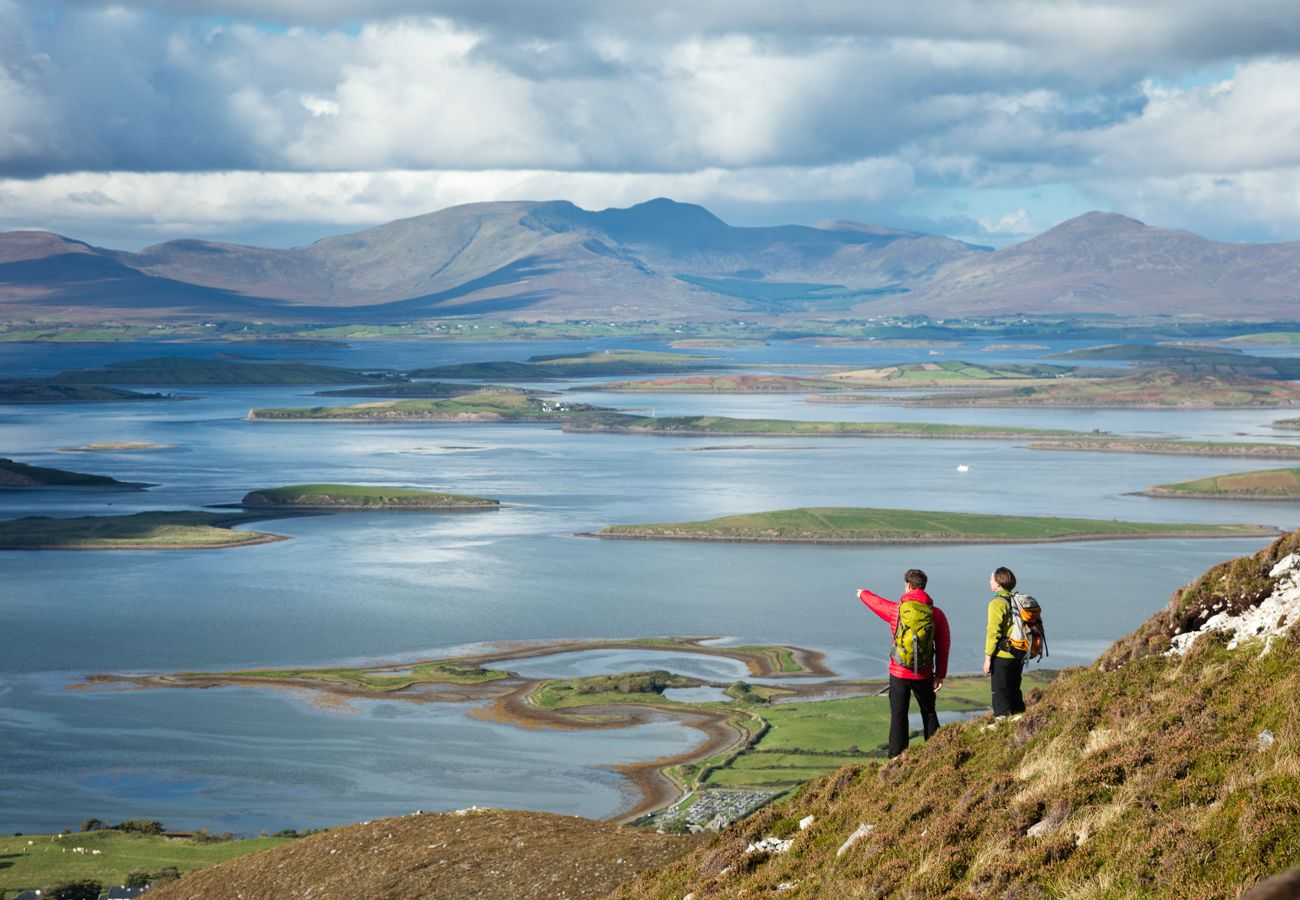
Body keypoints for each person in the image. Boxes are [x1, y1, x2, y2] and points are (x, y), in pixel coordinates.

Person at [858, 568, 951, 758]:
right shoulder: (936, 614)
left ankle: (896, 759)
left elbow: (877, 603)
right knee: (929, 712)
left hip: (899, 672)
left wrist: (862, 594)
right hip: (924, 673)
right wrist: (940, 674)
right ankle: (937, 753)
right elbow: (944, 645)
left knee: (899, 716)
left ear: (907, 585)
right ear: (923, 587)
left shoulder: (896, 610)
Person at [985, 566, 1026, 717]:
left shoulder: (997, 603)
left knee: (1000, 694)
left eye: (991, 579)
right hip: (1019, 653)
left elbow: (993, 633)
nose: (989, 581)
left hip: (1003, 655)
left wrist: (988, 658)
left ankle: (1001, 728)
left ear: (998, 583)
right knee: (1015, 691)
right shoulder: (1017, 600)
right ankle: (1021, 721)